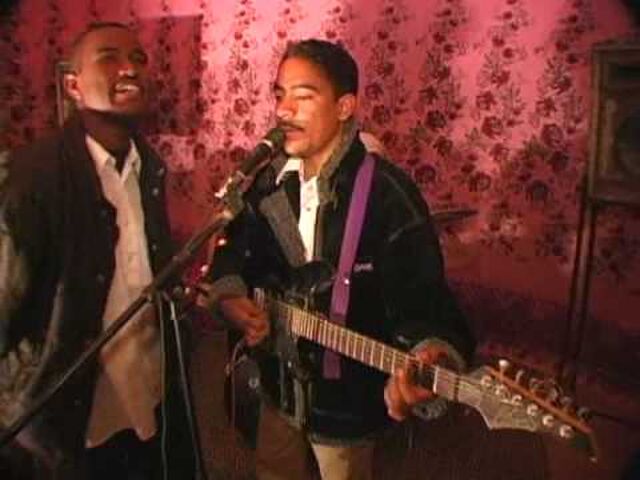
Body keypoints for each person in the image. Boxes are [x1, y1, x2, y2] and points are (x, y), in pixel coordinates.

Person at [203, 38, 475, 480]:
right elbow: (232, 249)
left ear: (345, 107)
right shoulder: (267, 182)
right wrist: (231, 298)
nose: (283, 110)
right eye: (279, 94)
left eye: (303, 96)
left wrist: (430, 357)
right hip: (276, 386)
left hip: (347, 406)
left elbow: (427, 303)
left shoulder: (389, 195)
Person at [0, 22, 195, 479]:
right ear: (73, 85)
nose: (131, 68)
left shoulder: (150, 169)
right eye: (110, 57)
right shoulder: (30, 178)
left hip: (143, 407)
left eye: (139, 59)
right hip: (62, 426)